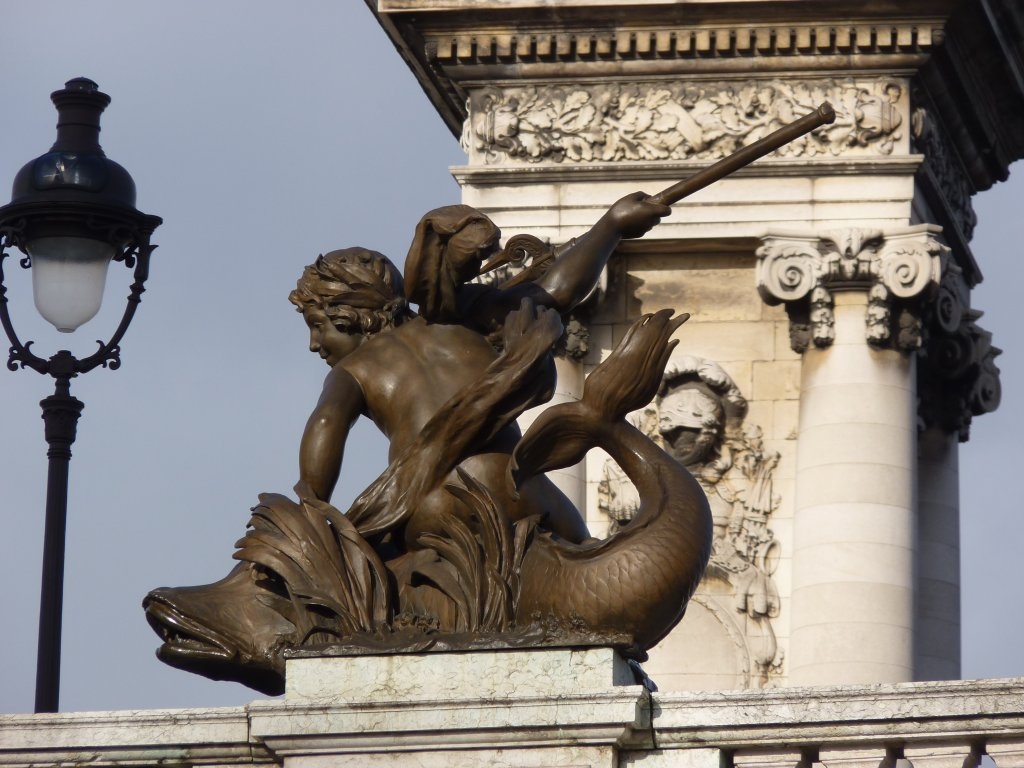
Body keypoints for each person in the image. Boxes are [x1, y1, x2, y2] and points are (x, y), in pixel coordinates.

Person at [290, 192, 670, 550]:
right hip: (508, 484)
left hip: (427, 503)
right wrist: (612, 226)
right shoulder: (464, 319)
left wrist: (312, 506)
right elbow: (557, 291)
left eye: (317, 324)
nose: (313, 343)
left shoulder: (353, 371)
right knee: (582, 555)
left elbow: (326, 423)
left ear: (348, 317)